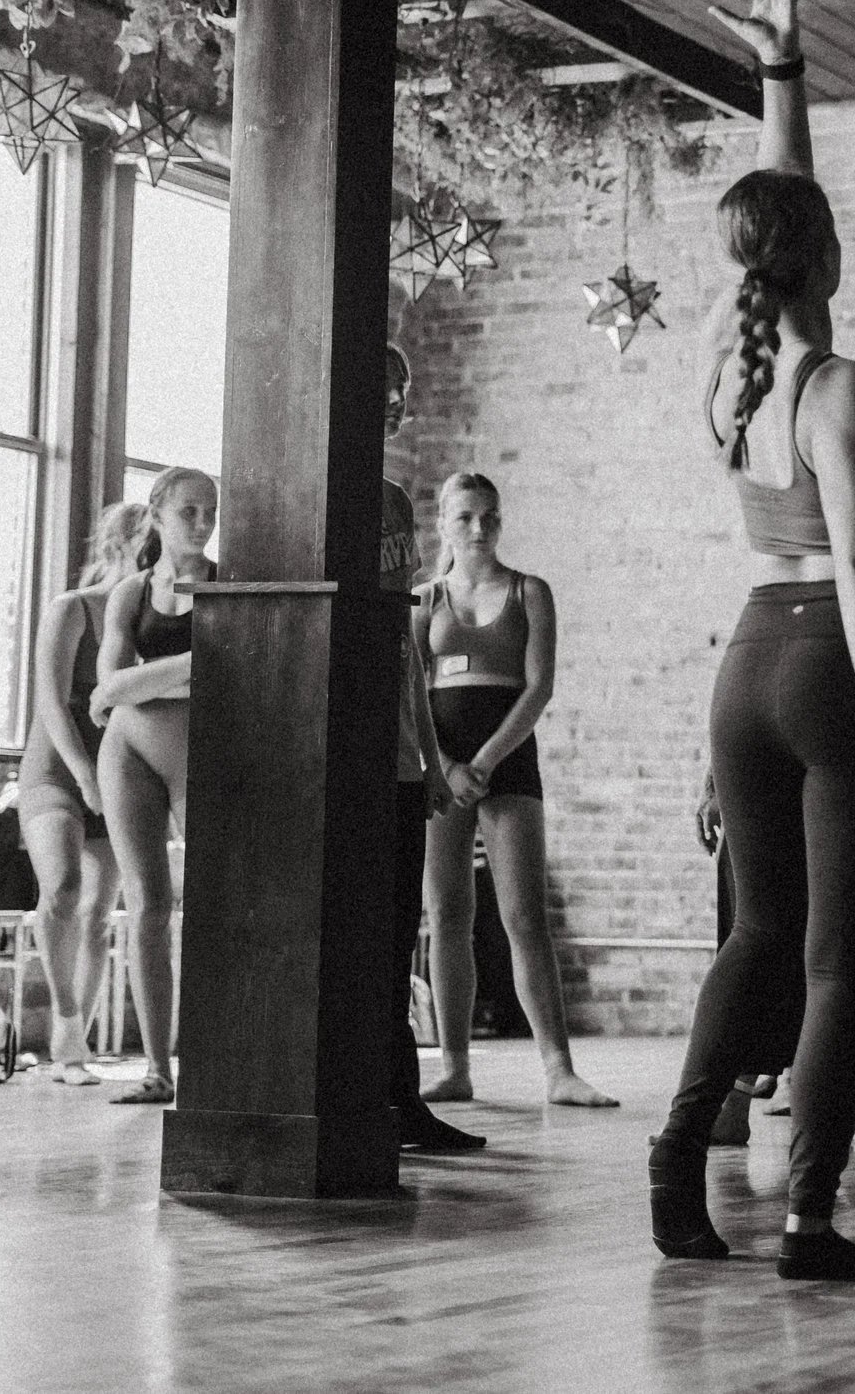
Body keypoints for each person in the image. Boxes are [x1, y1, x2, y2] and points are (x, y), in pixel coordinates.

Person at [649, 0, 855, 1283]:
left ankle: (676, 1154)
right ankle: (813, 1217)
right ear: (828, 253)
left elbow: (780, 214)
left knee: (759, 933)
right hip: (835, 661)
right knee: (838, 958)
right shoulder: (845, 388)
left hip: (746, 661)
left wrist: (780, 73)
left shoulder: (733, 373)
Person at [415, 472, 613, 1109]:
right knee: (447, 914)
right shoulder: (424, 602)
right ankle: (454, 1065)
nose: (479, 529)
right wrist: (447, 767)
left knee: (524, 916)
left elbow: (539, 688)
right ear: (443, 521)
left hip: (506, 762)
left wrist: (485, 762)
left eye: (490, 517)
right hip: (444, 768)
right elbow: (412, 697)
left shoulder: (530, 592)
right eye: (466, 517)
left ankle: (559, 1069)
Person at [379, 350, 484, 1154]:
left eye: (402, 393)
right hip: (329, 739)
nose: (395, 406)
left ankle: (397, 1097)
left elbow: (402, 641)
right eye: (382, 390)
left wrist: (418, 747)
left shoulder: (389, 501)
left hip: (392, 744)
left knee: (393, 926)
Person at [90, 467, 215, 1106]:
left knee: (213, 908)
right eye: (189, 511)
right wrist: (187, 671)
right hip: (128, 754)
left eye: (209, 511)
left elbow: (224, 675)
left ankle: (214, 1058)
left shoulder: (229, 587)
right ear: (159, 517)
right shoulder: (131, 593)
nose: (202, 522)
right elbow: (104, 687)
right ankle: (156, 1068)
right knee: (146, 906)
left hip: (197, 755)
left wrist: (137, 682)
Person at [16, 501, 146, 1085]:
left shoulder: (150, 618)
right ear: (117, 547)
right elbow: (47, 699)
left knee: (99, 913)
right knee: (63, 886)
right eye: (143, 549)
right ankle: (64, 1018)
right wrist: (86, 775)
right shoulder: (73, 609)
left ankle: (76, 1038)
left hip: (120, 765)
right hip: (55, 767)